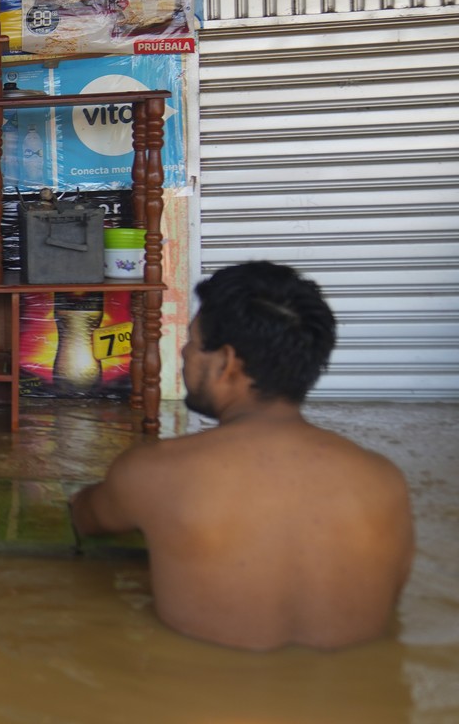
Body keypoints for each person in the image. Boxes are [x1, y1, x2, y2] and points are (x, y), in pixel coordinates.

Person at [70, 261, 414, 651]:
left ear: (226, 362)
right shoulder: (385, 482)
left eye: (194, 341)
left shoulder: (154, 473)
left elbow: (83, 517)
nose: (183, 353)